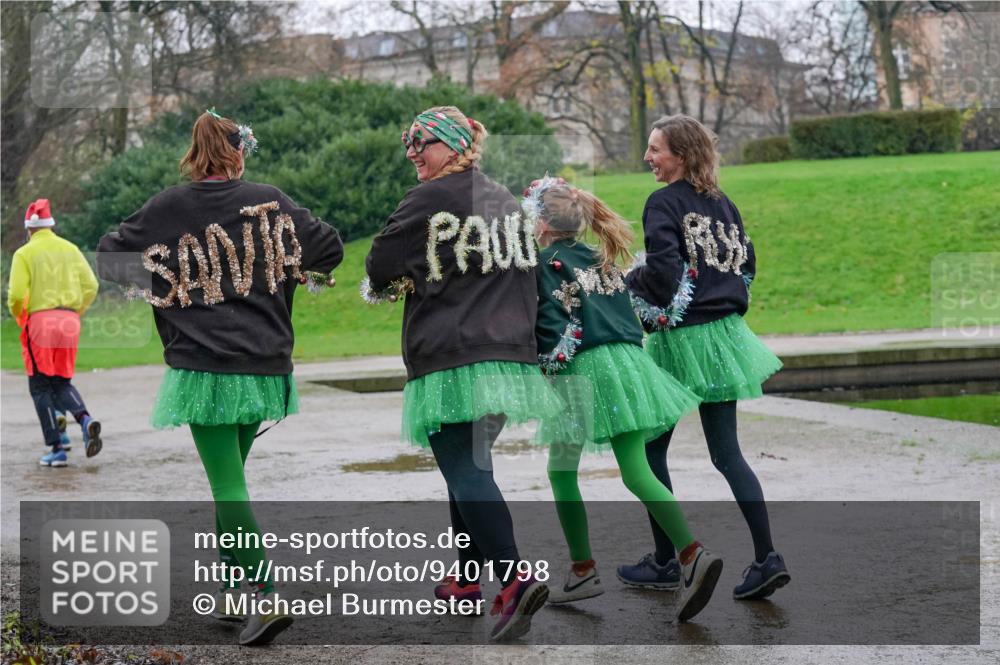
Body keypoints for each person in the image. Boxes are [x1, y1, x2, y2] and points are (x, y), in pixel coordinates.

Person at [97, 109, 344, 645]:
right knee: (229, 483)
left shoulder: (170, 205)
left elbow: (110, 258)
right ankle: (235, 591)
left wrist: (173, 280)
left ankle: (264, 595)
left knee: (228, 484)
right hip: (264, 363)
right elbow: (330, 248)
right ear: (240, 152)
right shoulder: (271, 200)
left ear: (195, 152)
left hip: (204, 365)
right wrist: (281, 265)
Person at [364, 106, 560, 641]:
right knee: (469, 465)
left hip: (452, 354)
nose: (411, 153)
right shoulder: (504, 201)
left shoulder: (427, 200)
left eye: (421, 143)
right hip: (508, 358)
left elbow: (380, 268)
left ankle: (515, 580)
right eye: (409, 142)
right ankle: (466, 580)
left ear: (451, 146)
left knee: (468, 471)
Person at [526, 177, 721, 622]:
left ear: (540, 223)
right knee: (636, 471)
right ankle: (691, 553)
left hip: (584, 370)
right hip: (630, 366)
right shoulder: (604, 258)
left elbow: (549, 326)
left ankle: (582, 569)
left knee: (561, 471)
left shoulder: (543, 263)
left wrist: (538, 363)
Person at [622, 114, 790, 600]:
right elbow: (748, 265)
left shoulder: (662, 202)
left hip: (681, 341)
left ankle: (666, 562)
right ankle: (767, 558)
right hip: (726, 337)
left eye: (656, 150)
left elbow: (663, 270)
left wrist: (625, 286)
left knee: (651, 451)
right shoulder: (725, 203)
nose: (648, 158)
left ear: (682, 155)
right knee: (727, 454)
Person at [7, 198, 102, 467]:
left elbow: (16, 294)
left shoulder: (24, 254)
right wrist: (76, 311)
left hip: (40, 322)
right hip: (70, 321)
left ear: (29, 229)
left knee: (40, 386)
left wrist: (21, 315)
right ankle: (83, 420)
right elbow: (91, 285)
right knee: (61, 381)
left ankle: (57, 447)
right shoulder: (70, 249)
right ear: (52, 225)